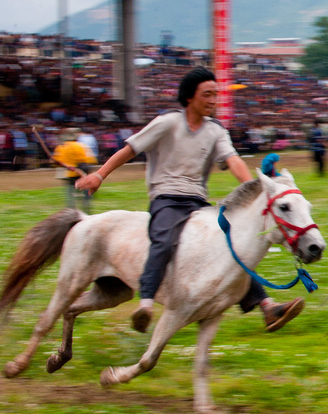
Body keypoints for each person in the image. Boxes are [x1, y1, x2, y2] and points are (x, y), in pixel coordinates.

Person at [76, 66, 304, 333]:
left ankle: (267, 307)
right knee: (164, 239)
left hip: (197, 202)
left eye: (215, 95)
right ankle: (146, 303)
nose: (213, 100)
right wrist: (100, 176)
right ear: (189, 97)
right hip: (165, 199)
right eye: (207, 94)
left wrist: (262, 190)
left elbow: (233, 161)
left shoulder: (216, 131)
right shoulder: (167, 122)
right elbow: (130, 149)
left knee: (233, 245)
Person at [53, 127, 96, 212]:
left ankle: (71, 213)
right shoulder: (81, 146)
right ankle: (86, 212)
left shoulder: (60, 147)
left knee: (70, 198)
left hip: (69, 175)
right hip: (81, 174)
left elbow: (56, 162)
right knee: (85, 197)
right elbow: (90, 160)